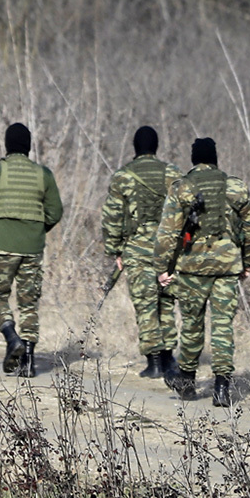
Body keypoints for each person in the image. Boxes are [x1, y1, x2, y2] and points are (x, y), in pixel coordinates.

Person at [154, 137, 250, 407]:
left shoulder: (181, 188)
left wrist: (162, 269)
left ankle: (187, 383)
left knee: (192, 325)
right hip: (227, 268)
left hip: (192, 268)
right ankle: (221, 387)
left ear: (193, 159)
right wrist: (247, 262)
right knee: (223, 327)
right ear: (215, 158)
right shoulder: (235, 186)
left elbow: (168, 233)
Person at [0, 123, 63, 377]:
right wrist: (36, 230)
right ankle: (29, 362)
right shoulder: (44, 174)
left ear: (7, 146)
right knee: (29, 303)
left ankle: (12, 338)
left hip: (1, 246)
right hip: (32, 248)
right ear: (29, 147)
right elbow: (55, 212)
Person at [101, 126, 184, 379]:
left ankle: (154, 362)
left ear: (135, 147)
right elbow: (187, 212)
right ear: (156, 147)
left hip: (137, 250)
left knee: (145, 304)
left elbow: (112, 216)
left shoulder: (123, 176)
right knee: (166, 301)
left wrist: (115, 250)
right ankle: (169, 358)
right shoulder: (173, 174)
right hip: (169, 250)